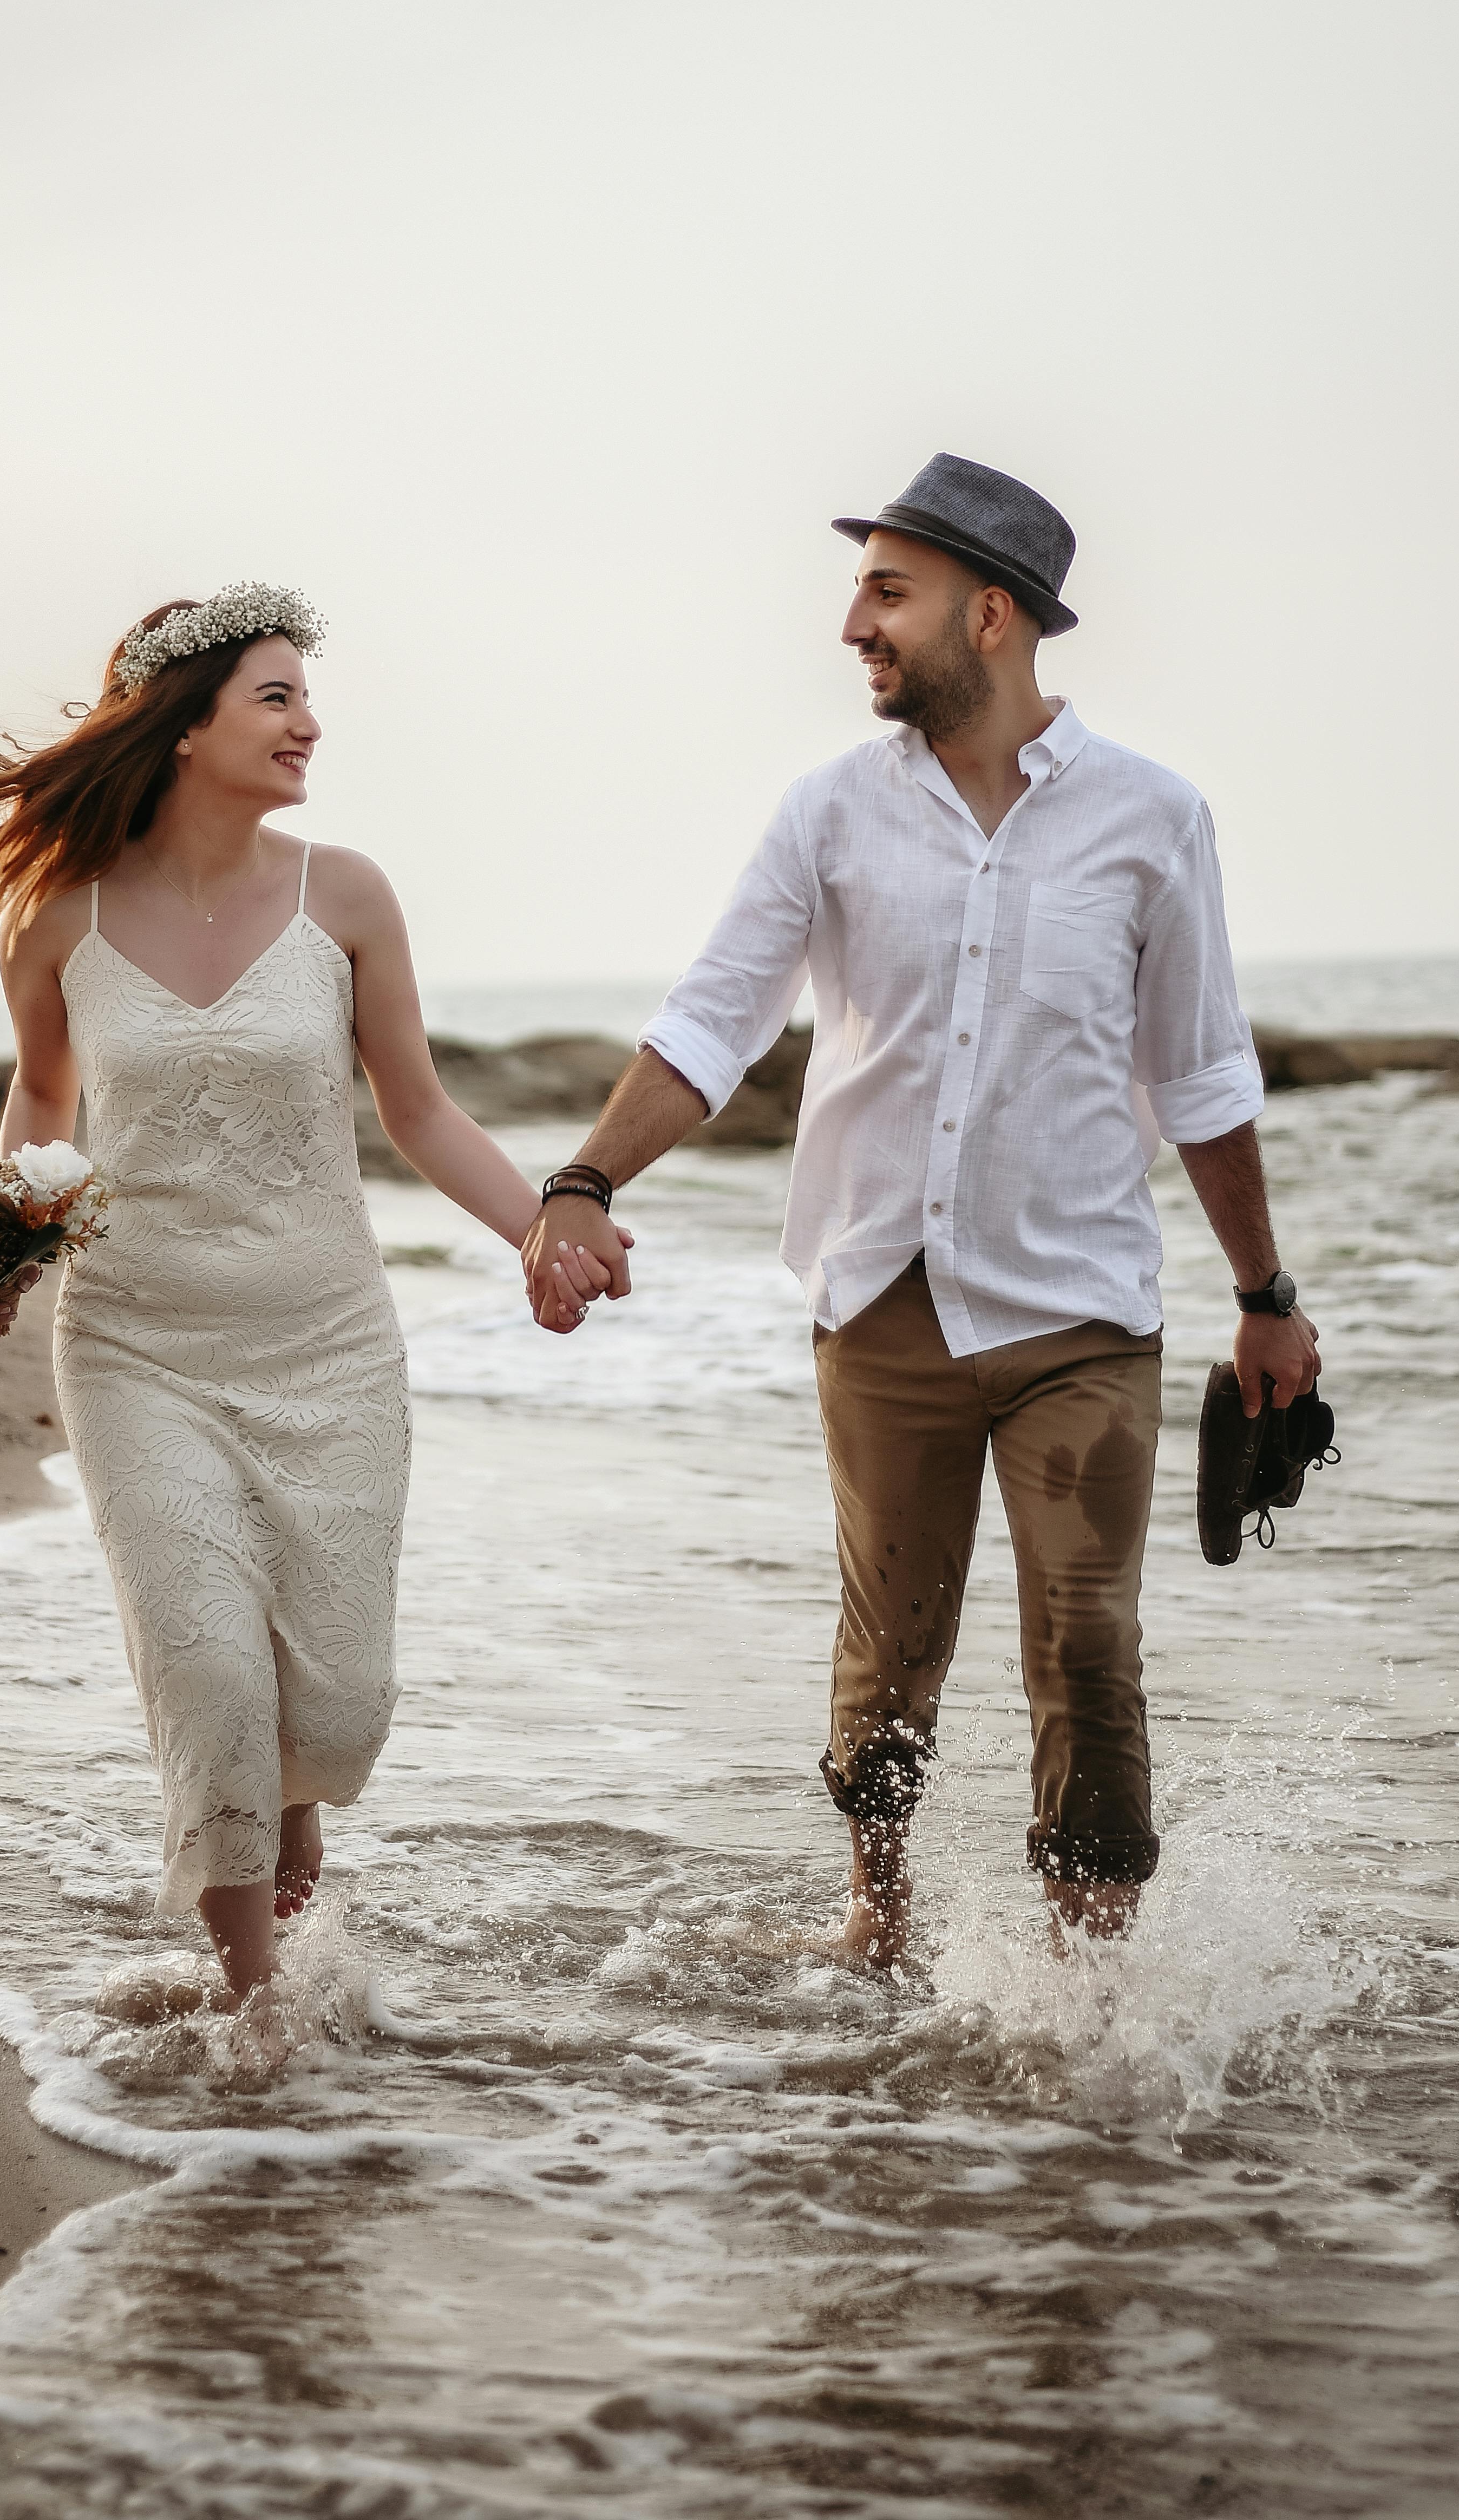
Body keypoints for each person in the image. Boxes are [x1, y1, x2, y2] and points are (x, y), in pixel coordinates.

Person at [521, 456, 1320, 1962]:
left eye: (887, 592)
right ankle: (875, 1924)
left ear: (993, 616)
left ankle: (1090, 1997)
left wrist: (1266, 1297)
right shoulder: (827, 814)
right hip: (884, 1295)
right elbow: (714, 1022)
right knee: (894, 1655)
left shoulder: (1156, 819)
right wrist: (583, 1182)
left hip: (1083, 1309)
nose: (853, 626)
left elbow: (1204, 1073)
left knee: (1088, 1649)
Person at [0, 585, 555, 2017]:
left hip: (327, 1350)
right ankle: (252, 2016)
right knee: (212, 1681)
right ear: (183, 720)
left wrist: (545, 1231)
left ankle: (286, 1805)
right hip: (138, 1350)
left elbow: (422, 1110)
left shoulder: (347, 896)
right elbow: (44, 1097)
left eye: (304, 699)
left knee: (330, 1710)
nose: (307, 724)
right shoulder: (55, 918)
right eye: (276, 697)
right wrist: (3, 1237)